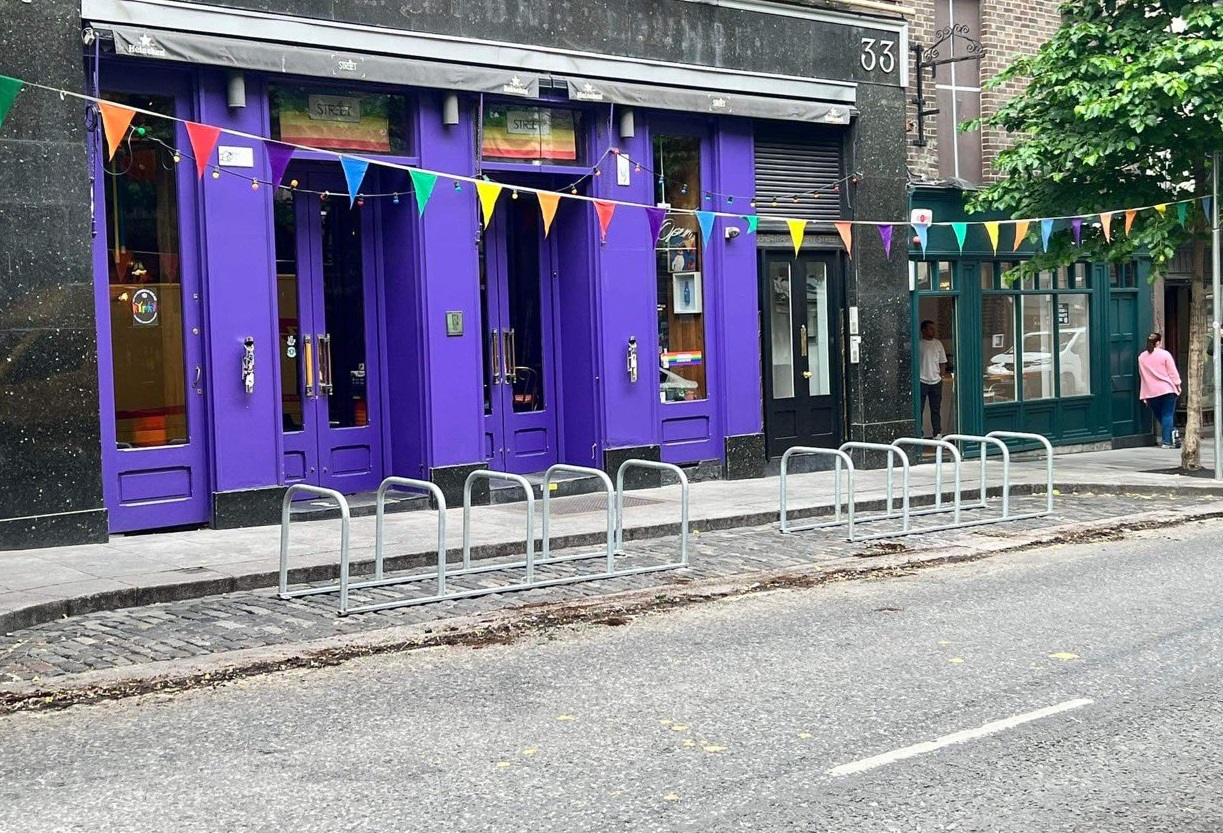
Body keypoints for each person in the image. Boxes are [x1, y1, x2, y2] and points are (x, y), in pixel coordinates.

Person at [1138, 332, 1181, 449]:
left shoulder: (1141, 357)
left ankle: (1172, 434)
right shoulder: (1165, 354)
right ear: (1158, 342)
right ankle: (1167, 441)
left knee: (1161, 416)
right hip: (1167, 389)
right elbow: (1172, 372)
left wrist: (1144, 394)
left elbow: (1143, 375)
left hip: (1151, 391)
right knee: (1167, 415)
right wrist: (1178, 384)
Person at [918, 319, 947, 439]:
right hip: (921, 380)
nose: (933, 330)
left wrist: (942, 376)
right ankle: (918, 433)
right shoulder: (919, 344)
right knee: (919, 409)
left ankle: (937, 433)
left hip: (936, 381)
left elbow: (943, 361)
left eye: (933, 328)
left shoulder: (938, 344)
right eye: (930, 328)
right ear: (923, 330)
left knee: (936, 409)